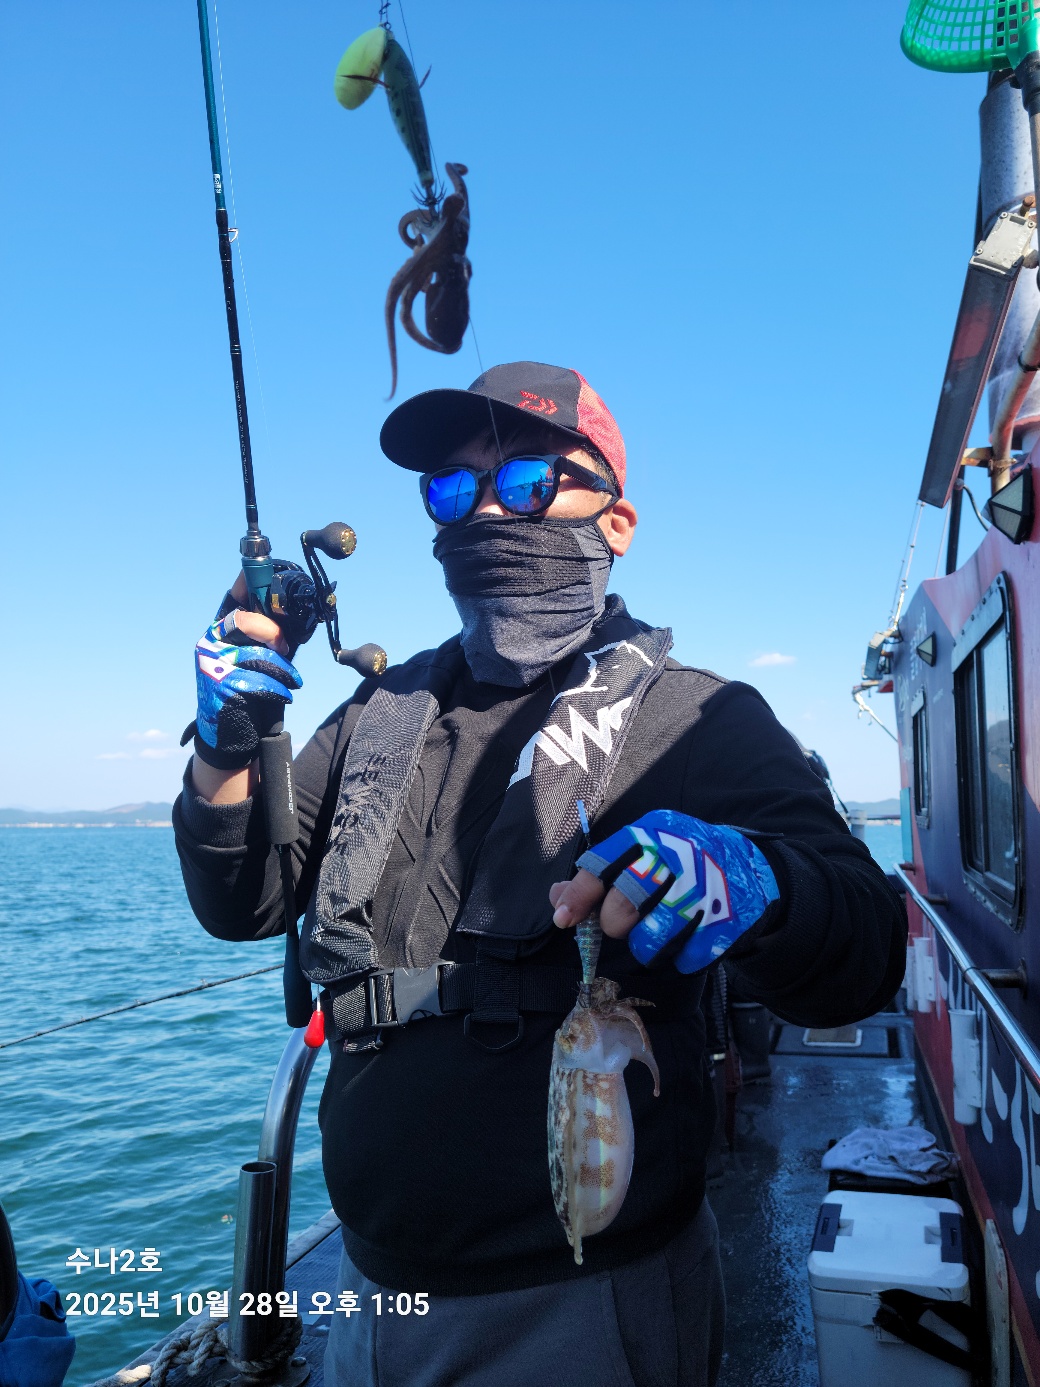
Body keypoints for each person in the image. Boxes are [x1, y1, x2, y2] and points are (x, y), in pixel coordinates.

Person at [175, 361, 907, 1387]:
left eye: (526, 480)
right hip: (371, 1294)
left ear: (617, 521)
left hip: (586, 1305)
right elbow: (243, 901)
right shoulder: (377, 713)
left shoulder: (696, 717)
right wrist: (225, 747)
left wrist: (758, 880)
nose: (484, 508)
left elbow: (867, 946)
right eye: (451, 488)